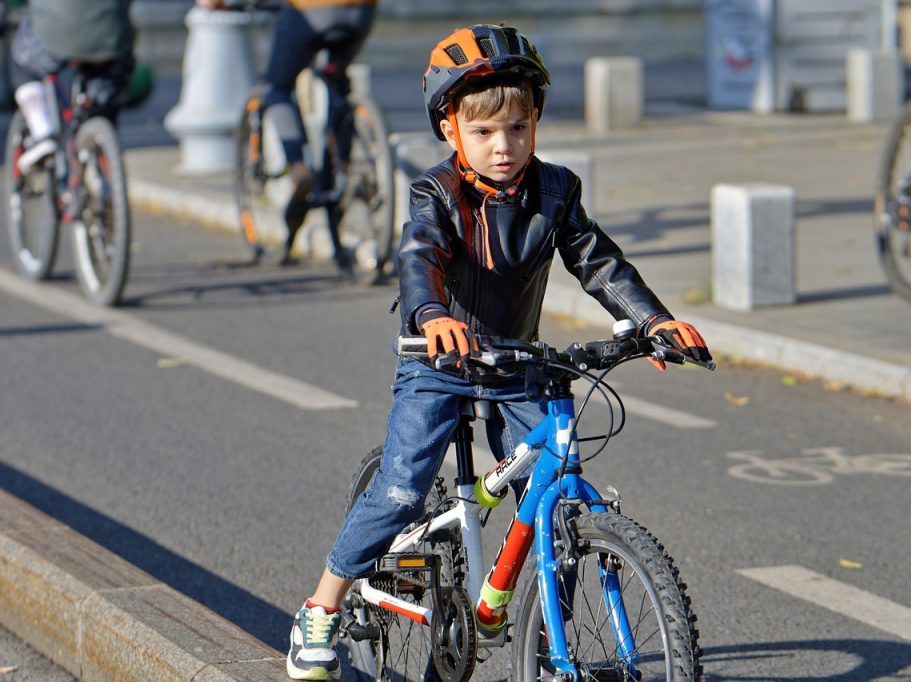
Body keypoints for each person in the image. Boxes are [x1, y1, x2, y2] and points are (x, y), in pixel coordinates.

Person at [284, 24, 713, 681]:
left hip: (517, 361)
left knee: (555, 489)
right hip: (440, 359)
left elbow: (598, 263)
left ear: (536, 122)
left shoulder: (556, 191)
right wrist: (430, 316)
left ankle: (539, 633)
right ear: (450, 131)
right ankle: (321, 606)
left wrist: (652, 319)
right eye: (483, 133)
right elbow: (419, 257)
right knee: (401, 489)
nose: (503, 146)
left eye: (517, 128)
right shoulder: (437, 194)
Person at [200, 0, 377, 268]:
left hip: (310, 9)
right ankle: (341, 170)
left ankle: (298, 167)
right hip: (362, 10)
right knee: (337, 87)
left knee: (278, 86)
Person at [9, 0, 136, 174]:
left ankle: (42, 132)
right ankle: (99, 144)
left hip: (56, 36)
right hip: (109, 39)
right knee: (108, 85)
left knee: (22, 57)